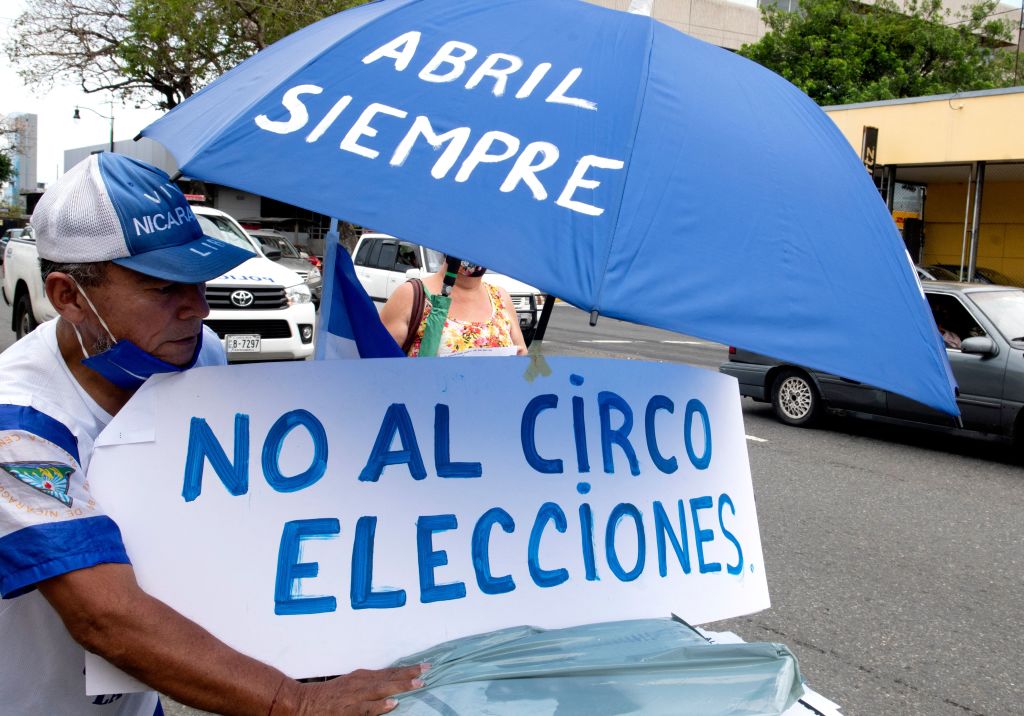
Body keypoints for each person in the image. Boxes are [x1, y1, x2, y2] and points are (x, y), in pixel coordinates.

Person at [0, 154, 425, 715]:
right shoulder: (21, 427)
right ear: (68, 296)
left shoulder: (201, 354)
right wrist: (292, 703)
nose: (197, 309)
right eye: (161, 287)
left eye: (197, 281)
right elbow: (105, 616)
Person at [379, 257, 528, 356]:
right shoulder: (411, 295)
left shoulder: (501, 297)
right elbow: (378, 370)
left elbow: (527, 372)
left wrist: (520, 366)